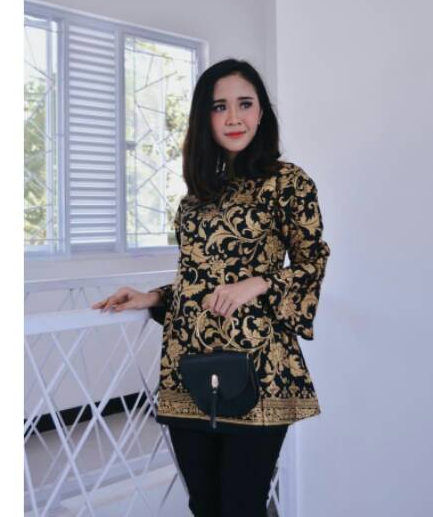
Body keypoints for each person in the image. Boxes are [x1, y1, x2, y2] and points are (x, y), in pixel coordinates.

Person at [92, 58, 331, 517]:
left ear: (262, 112)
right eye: (220, 107)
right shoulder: (195, 198)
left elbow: (312, 261)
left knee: (242, 505)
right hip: (188, 368)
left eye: (245, 104)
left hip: (259, 368)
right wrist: (153, 297)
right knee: (204, 505)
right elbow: (198, 280)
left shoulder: (289, 182)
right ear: (205, 118)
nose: (234, 117)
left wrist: (258, 283)